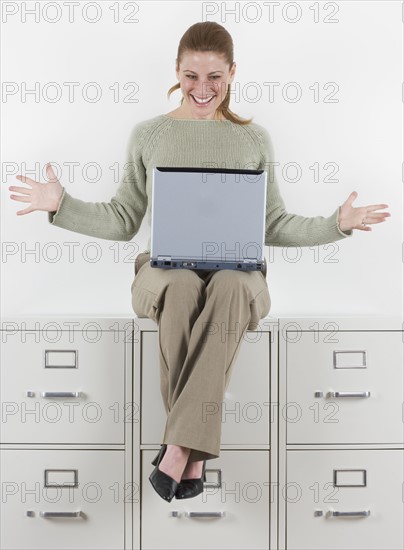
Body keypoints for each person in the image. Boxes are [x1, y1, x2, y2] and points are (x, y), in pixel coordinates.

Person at [9, 22, 390, 503]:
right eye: (191, 76)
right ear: (176, 71)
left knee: (229, 283)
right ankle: (189, 451)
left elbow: (272, 225)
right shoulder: (148, 134)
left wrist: (337, 222)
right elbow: (125, 219)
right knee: (184, 287)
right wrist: (61, 204)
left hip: (239, 276)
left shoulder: (254, 140)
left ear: (232, 73)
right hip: (165, 273)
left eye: (214, 76)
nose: (203, 88)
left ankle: (179, 447)